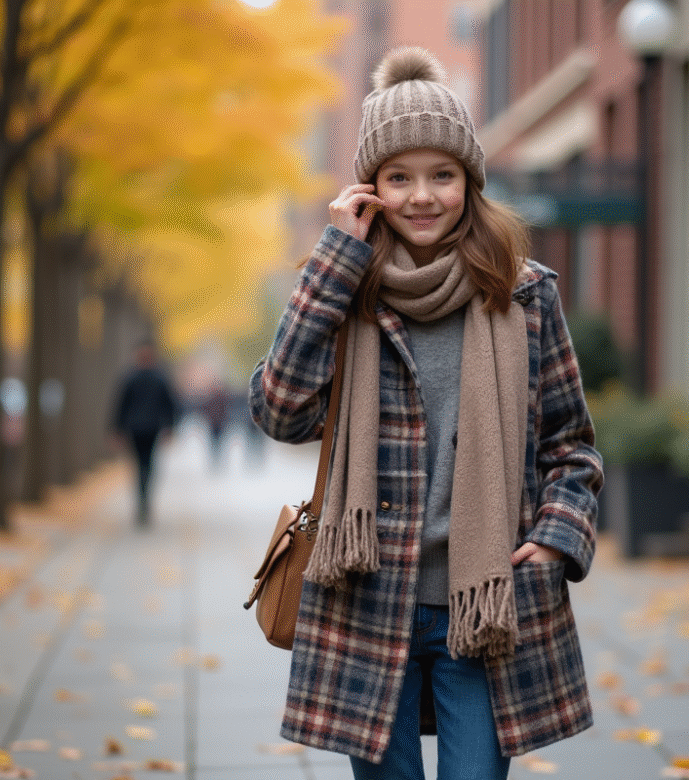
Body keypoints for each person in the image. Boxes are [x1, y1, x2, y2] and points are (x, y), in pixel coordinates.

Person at [249, 47, 603, 780]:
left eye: (441, 175)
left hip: (483, 604)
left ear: (469, 182)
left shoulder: (524, 293)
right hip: (366, 601)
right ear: (369, 187)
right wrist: (332, 264)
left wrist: (556, 539)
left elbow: (572, 445)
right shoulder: (346, 291)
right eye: (398, 177)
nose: (421, 196)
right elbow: (278, 411)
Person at [112, 341, 180, 527]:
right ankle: (144, 498)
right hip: (148, 428)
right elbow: (170, 405)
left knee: (141, 464)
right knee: (146, 464)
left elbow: (120, 405)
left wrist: (116, 429)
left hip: (141, 428)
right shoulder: (157, 377)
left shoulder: (132, 377)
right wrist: (170, 427)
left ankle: (143, 499)